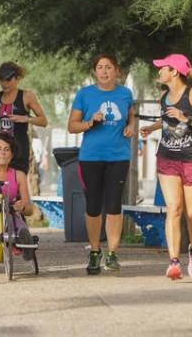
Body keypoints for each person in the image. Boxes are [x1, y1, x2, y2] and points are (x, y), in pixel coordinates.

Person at [140, 54, 192, 280]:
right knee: (174, 209)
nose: (158, 72)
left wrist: (187, 119)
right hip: (168, 158)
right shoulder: (163, 96)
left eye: (162, 68)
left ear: (174, 71)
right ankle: (174, 262)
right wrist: (153, 128)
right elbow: (167, 120)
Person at [67, 54, 134, 274]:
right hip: (91, 158)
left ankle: (113, 254)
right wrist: (90, 122)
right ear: (95, 71)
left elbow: (130, 116)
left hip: (119, 157)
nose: (104, 71)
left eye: (108, 67)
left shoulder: (125, 93)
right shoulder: (85, 94)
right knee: (94, 206)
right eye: (100, 67)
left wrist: (131, 126)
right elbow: (72, 126)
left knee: (114, 205)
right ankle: (95, 252)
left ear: (117, 71)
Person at [0, 62, 47, 174]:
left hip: (19, 152)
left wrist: (26, 119)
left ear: (17, 78)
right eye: (1, 80)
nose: (4, 83)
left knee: (16, 187)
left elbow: (43, 121)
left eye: (8, 80)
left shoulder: (26, 96)